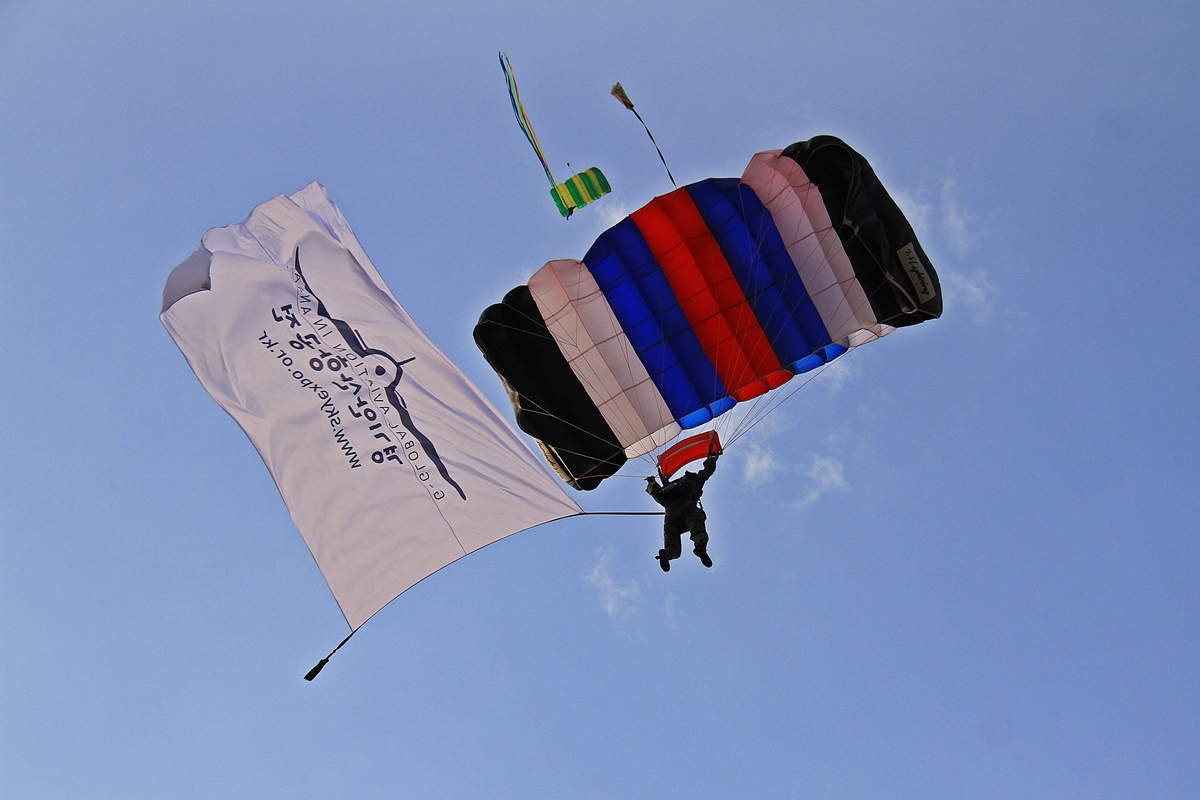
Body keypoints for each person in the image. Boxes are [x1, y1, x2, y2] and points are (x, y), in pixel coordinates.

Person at [645, 452, 720, 571]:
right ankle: (700, 546)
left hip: (671, 518)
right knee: (698, 526)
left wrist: (651, 482)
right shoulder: (694, 481)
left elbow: (654, 492)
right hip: (688, 511)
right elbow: (708, 471)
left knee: (673, 546)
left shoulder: (666, 489)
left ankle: (667, 554)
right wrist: (712, 458)